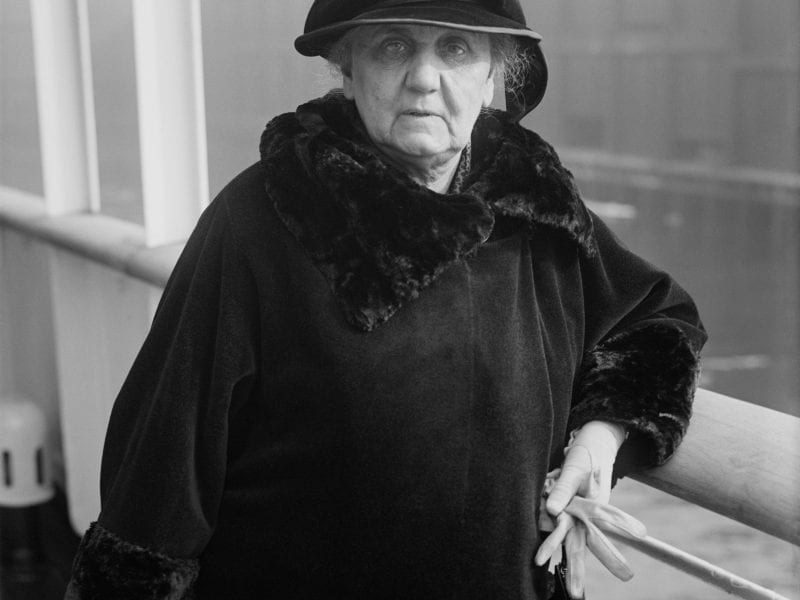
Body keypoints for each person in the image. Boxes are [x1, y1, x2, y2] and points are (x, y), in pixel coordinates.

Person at [65, 1, 706, 599]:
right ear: (348, 72)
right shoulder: (261, 217)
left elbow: (657, 319)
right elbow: (162, 466)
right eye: (393, 47)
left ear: (491, 79)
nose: (424, 78)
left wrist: (600, 436)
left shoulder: (538, 209)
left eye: (455, 50)